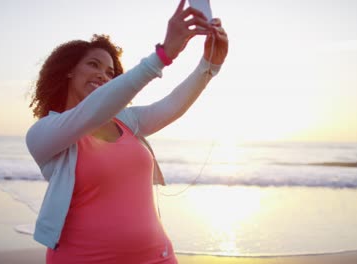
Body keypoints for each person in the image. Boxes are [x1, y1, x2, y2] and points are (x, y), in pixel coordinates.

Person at [26, 0, 228, 263]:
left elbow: (172, 106)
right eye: (93, 65)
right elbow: (89, 112)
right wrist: (163, 55)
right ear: (68, 71)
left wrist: (208, 66)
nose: (103, 75)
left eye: (110, 73)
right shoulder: (44, 134)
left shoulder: (126, 121)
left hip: (158, 257)